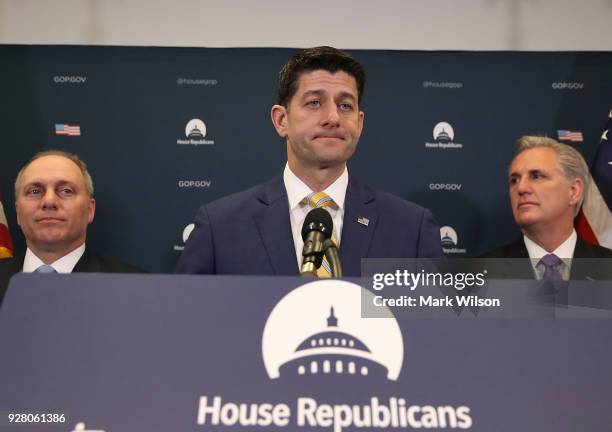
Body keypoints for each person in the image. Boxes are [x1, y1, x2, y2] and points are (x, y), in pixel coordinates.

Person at [176, 46, 443, 277]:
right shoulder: (221, 227)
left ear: (359, 123)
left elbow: (436, 332)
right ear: (281, 120)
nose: (333, 117)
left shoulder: (411, 229)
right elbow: (185, 322)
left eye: (345, 105)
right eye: (315, 103)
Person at [0, 150, 142, 303]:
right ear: (18, 212)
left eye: (66, 191)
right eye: (35, 191)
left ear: (90, 210)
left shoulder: (138, 290)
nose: (49, 201)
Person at [483, 136, 612, 279]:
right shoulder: (477, 275)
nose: (521, 188)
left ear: (574, 191)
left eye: (536, 176)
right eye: (514, 180)